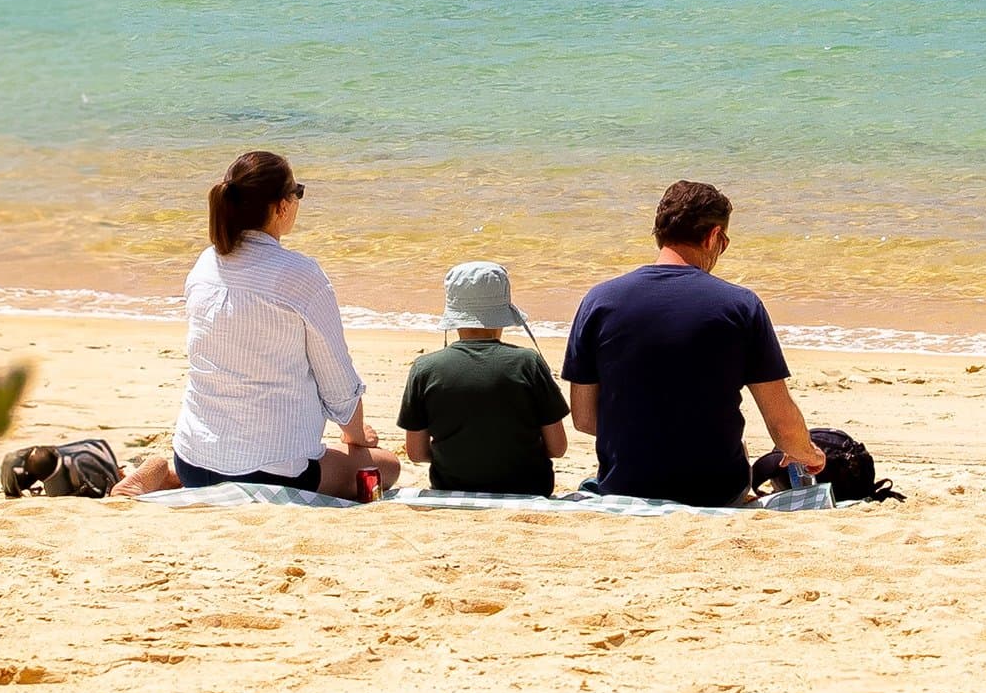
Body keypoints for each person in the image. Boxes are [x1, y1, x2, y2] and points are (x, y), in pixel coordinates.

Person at [562, 180, 825, 506]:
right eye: (724, 242)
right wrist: (810, 454)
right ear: (714, 237)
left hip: (624, 485)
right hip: (715, 491)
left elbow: (584, 419)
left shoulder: (599, 301)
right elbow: (783, 426)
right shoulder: (741, 306)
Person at [165, 150, 400, 493]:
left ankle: (163, 472)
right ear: (281, 206)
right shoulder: (301, 274)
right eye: (297, 192)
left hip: (192, 461)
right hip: (274, 472)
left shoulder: (205, 264)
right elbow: (336, 380)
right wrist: (356, 437)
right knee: (388, 465)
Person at [396, 262, 569, 495]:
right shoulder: (528, 363)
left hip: (451, 486)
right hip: (528, 487)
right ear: (502, 316)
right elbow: (557, 448)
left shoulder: (424, 368)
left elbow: (416, 453)